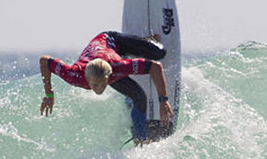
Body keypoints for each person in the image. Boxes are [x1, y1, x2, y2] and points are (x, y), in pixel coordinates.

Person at [39, 31, 173, 143]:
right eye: (95, 85)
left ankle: (145, 41)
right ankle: (141, 138)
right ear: (87, 79)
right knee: (139, 96)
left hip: (111, 41)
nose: (99, 89)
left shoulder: (118, 67)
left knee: (159, 53)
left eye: (103, 84)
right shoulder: (74, 74)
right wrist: (49, 94)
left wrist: (163, 100)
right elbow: (44, 61)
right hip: (103, 52)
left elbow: (155, 67)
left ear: (108, 77)